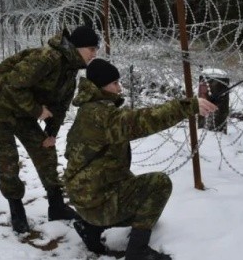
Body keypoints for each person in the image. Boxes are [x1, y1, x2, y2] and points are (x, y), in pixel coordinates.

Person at [64, 59, 217, 259]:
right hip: (96, 205)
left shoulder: (90, 109)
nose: (120, 88)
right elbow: (143, 120)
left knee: (131, 183)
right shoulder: (101, 116)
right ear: (101, 86)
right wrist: (188, 106)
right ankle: (137, 251)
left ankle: (90, 228)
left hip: (86, 198)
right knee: (158, 185)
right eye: (115, 83)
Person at [0, 26, 100, 233]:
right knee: (8, 161)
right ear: (76, 47)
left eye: (96, 49)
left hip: (23, 111)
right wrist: (37, 110)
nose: (94, 54)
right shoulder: (48, 58)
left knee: (45, 151)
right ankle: (16, 209)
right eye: (91, 49)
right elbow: (13, 85)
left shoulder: (70, 69)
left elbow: (60, 106)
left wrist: (51, 133)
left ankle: (56, 206)